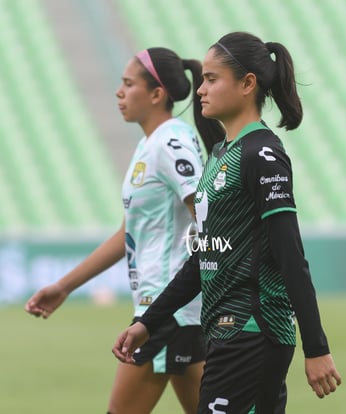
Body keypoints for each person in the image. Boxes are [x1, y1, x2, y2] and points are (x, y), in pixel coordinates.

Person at [112, 32, 342, 414]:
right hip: (223, 333)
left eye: (212, 79)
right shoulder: (220, 154)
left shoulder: (262, 154)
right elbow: (203, 257)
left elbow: (291, 256)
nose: (200, 89)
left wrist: (316, 348)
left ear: (247, 84)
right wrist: (148, 322)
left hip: (253, 331)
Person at [25, 47, 225, 414]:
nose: (119, 92)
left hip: (167, 311)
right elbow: (127, 233)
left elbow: (207, 214)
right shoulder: (150, 143)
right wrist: (64, 286)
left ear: (156, 94)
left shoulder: (170, 141)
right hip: (174, 311)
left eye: (128, 83)